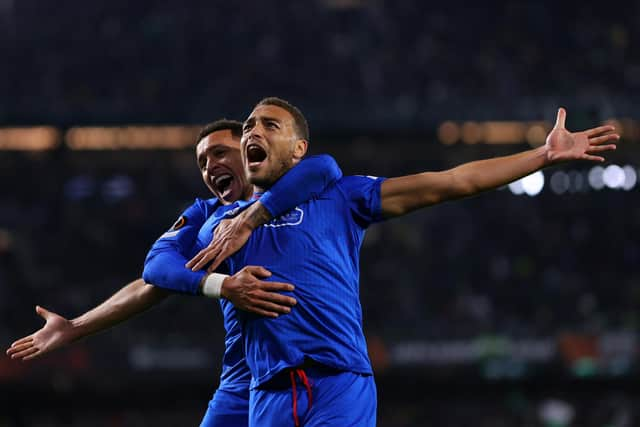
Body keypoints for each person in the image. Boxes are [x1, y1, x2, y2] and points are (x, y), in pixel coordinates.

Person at [150, 97, 618, 427]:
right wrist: (218, 285)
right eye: (248, 125)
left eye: (269, 125)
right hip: (266, 391)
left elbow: (451, 181)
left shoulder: (340, 194)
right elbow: (153, 275)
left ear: (298, 149)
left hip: (338, 382)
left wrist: (542, 155)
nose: (253, 131)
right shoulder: (218, 222)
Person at [6, 118, 343, 427]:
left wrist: (252, 217)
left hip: (313, 373)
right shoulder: (206, 216)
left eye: (220, 153)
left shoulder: (303, 196)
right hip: (245, 380)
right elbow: (155, 272)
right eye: (202, 163)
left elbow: (324, 167)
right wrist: (76, 327)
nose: (211, 167)